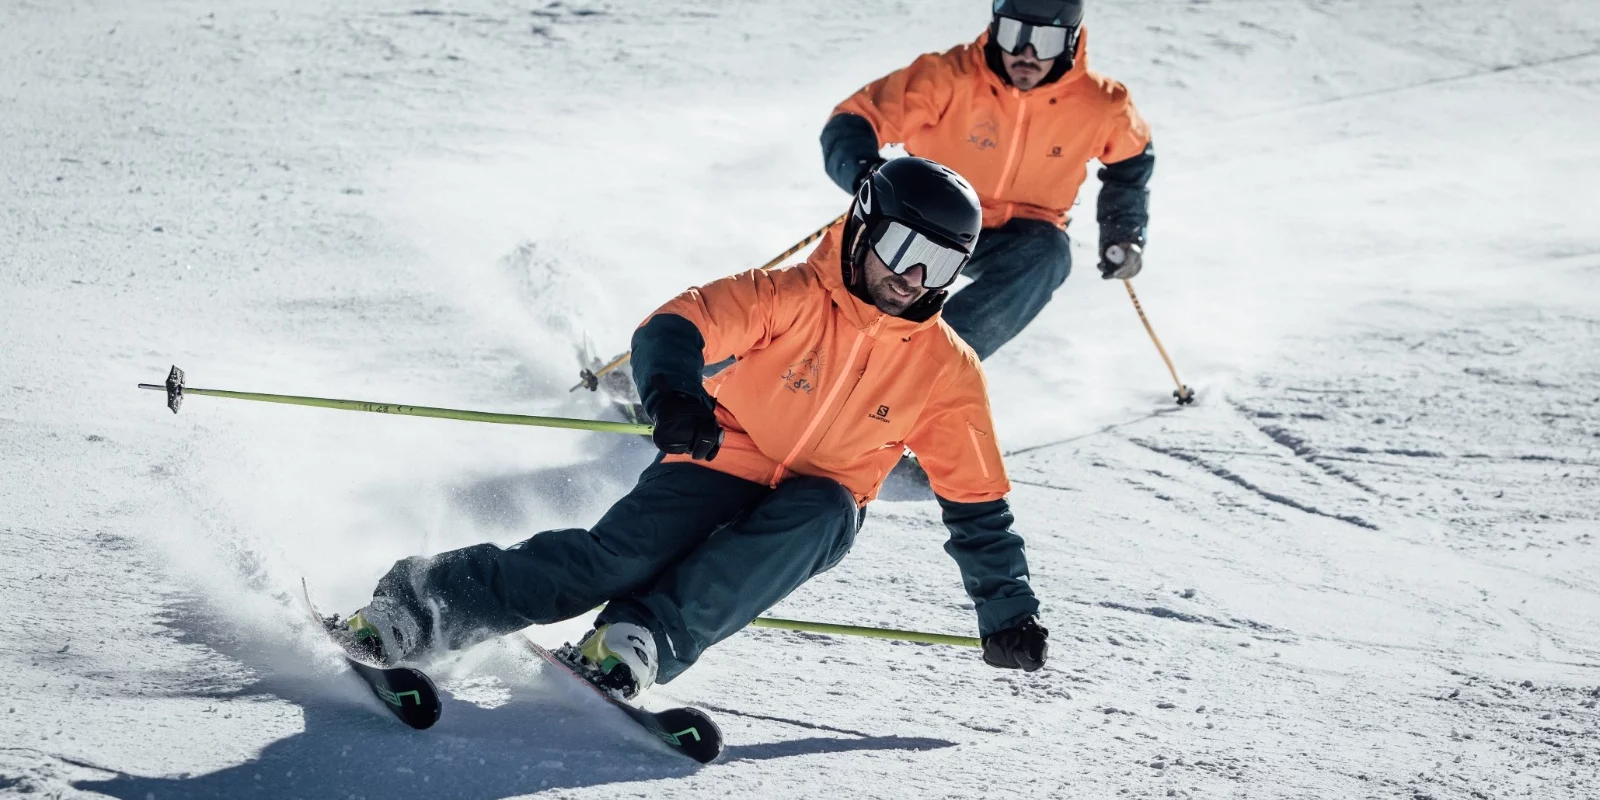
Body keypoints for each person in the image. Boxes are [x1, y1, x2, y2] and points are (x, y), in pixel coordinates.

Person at [332, 157, 1049, 699]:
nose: (913, 276)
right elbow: (680, 323)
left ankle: (635, 640)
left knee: (825, 509)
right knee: (611, 560)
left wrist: (1008, 610)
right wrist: (675, 394)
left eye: (941, 262)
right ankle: (418, 610)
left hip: (818, 505)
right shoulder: (790, 295)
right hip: (717, 456)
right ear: (863, 225)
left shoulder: (945, 370)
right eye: (902, 248)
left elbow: (978, 505)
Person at [821, 0, 1154, 360]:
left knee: (1051, 255)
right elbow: (854, 119)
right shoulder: (950, 76)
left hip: (1019, 233)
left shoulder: (1101, 104)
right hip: (930, 219)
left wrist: (1123, 233)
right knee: (883, 259)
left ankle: (923, 362)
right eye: (1014, 35)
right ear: (996, 29)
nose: (1027, 53)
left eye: (1046, 41)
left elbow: (1131, 164)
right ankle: (823, 346)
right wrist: (866, 175)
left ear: (1070, 42)